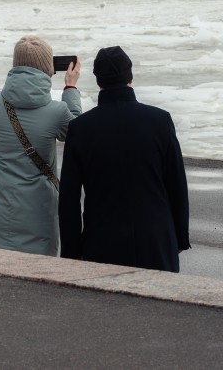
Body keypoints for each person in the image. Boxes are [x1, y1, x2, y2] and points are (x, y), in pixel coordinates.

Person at [59, 45, 190, 272]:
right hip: (156, 239)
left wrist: (72, 250)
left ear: (99, 81)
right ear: (130, 77)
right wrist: (179, 238)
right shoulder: (160, 120)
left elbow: (69, 198)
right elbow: (177, 185)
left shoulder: (81, 128)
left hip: (101, 241)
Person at [0, 35, 82, 256]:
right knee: (32, 282)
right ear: (47, 68)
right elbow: (77, 132)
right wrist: (70, 88)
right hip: (35, 213)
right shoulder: (57, 113)